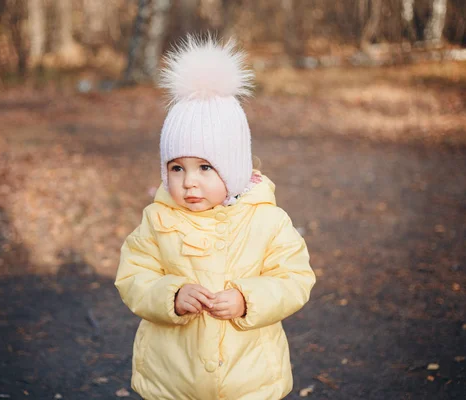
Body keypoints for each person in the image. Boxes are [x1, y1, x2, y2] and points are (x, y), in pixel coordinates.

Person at [115, 35, 316, 400]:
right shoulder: (158, 220)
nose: (189, 181)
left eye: (205, 167)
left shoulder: (267, 220)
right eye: (176, 168)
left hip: (249, 381)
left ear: (235, 168)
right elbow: (133, 276)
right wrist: (170, 295)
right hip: (172, 380)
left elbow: (295, 279)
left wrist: (247, 299)